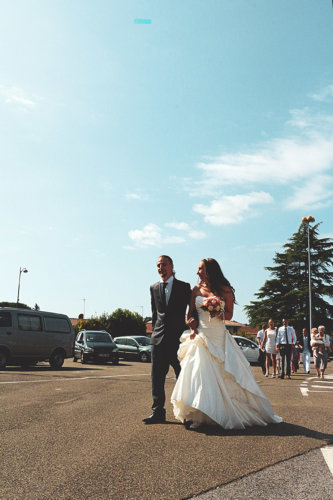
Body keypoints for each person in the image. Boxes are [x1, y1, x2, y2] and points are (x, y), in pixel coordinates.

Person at [171, 258, 282, 430]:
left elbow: (229, 315)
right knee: (199, 374)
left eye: (200, 269)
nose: (197, 272)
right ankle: (201, 412)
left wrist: (218, 311)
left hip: (219, 336)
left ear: (210, 270)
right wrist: (190, 322)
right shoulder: (195, 290)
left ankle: (223, 412)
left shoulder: (225, 290)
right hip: (201, 336)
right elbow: (189, 314)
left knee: (225, 375)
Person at [143, 255, 191, 424]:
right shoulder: (153, 287)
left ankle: (186, 413)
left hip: (178, 340)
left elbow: (192, 311)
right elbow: (155, 314)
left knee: (182, 376)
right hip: (158, 340)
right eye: (158, 265)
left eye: (163, 265)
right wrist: (154, 333)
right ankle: (157, 412)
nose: (160, 268)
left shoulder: (184, 287)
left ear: (171, 266)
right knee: (157, 378)